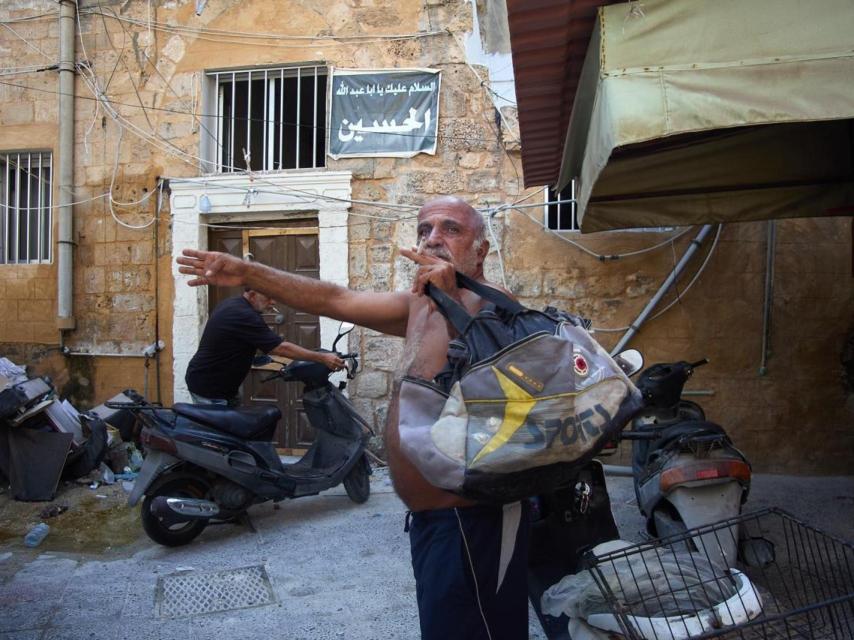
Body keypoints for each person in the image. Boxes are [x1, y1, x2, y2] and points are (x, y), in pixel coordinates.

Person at [177, 197, 530, 639]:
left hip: (477, 519)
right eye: (424, 230)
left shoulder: (496, 306)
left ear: (480, 250)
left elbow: (502, 385)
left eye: (450, 229)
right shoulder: (419, 306)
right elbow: (336, 298)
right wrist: (249, 272)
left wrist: (456, 293)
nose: (432, 238)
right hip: (434, 522)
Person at [185, 288, 345, 406]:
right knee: (219, 441)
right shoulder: (243, 314)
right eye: (268, 297)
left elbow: (233, 341)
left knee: (236, 435)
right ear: (252, 294)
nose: (273, 302)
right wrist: (323, 358)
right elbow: (280, 348)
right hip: (209, 389)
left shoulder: (234, 305)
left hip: (223, 387)